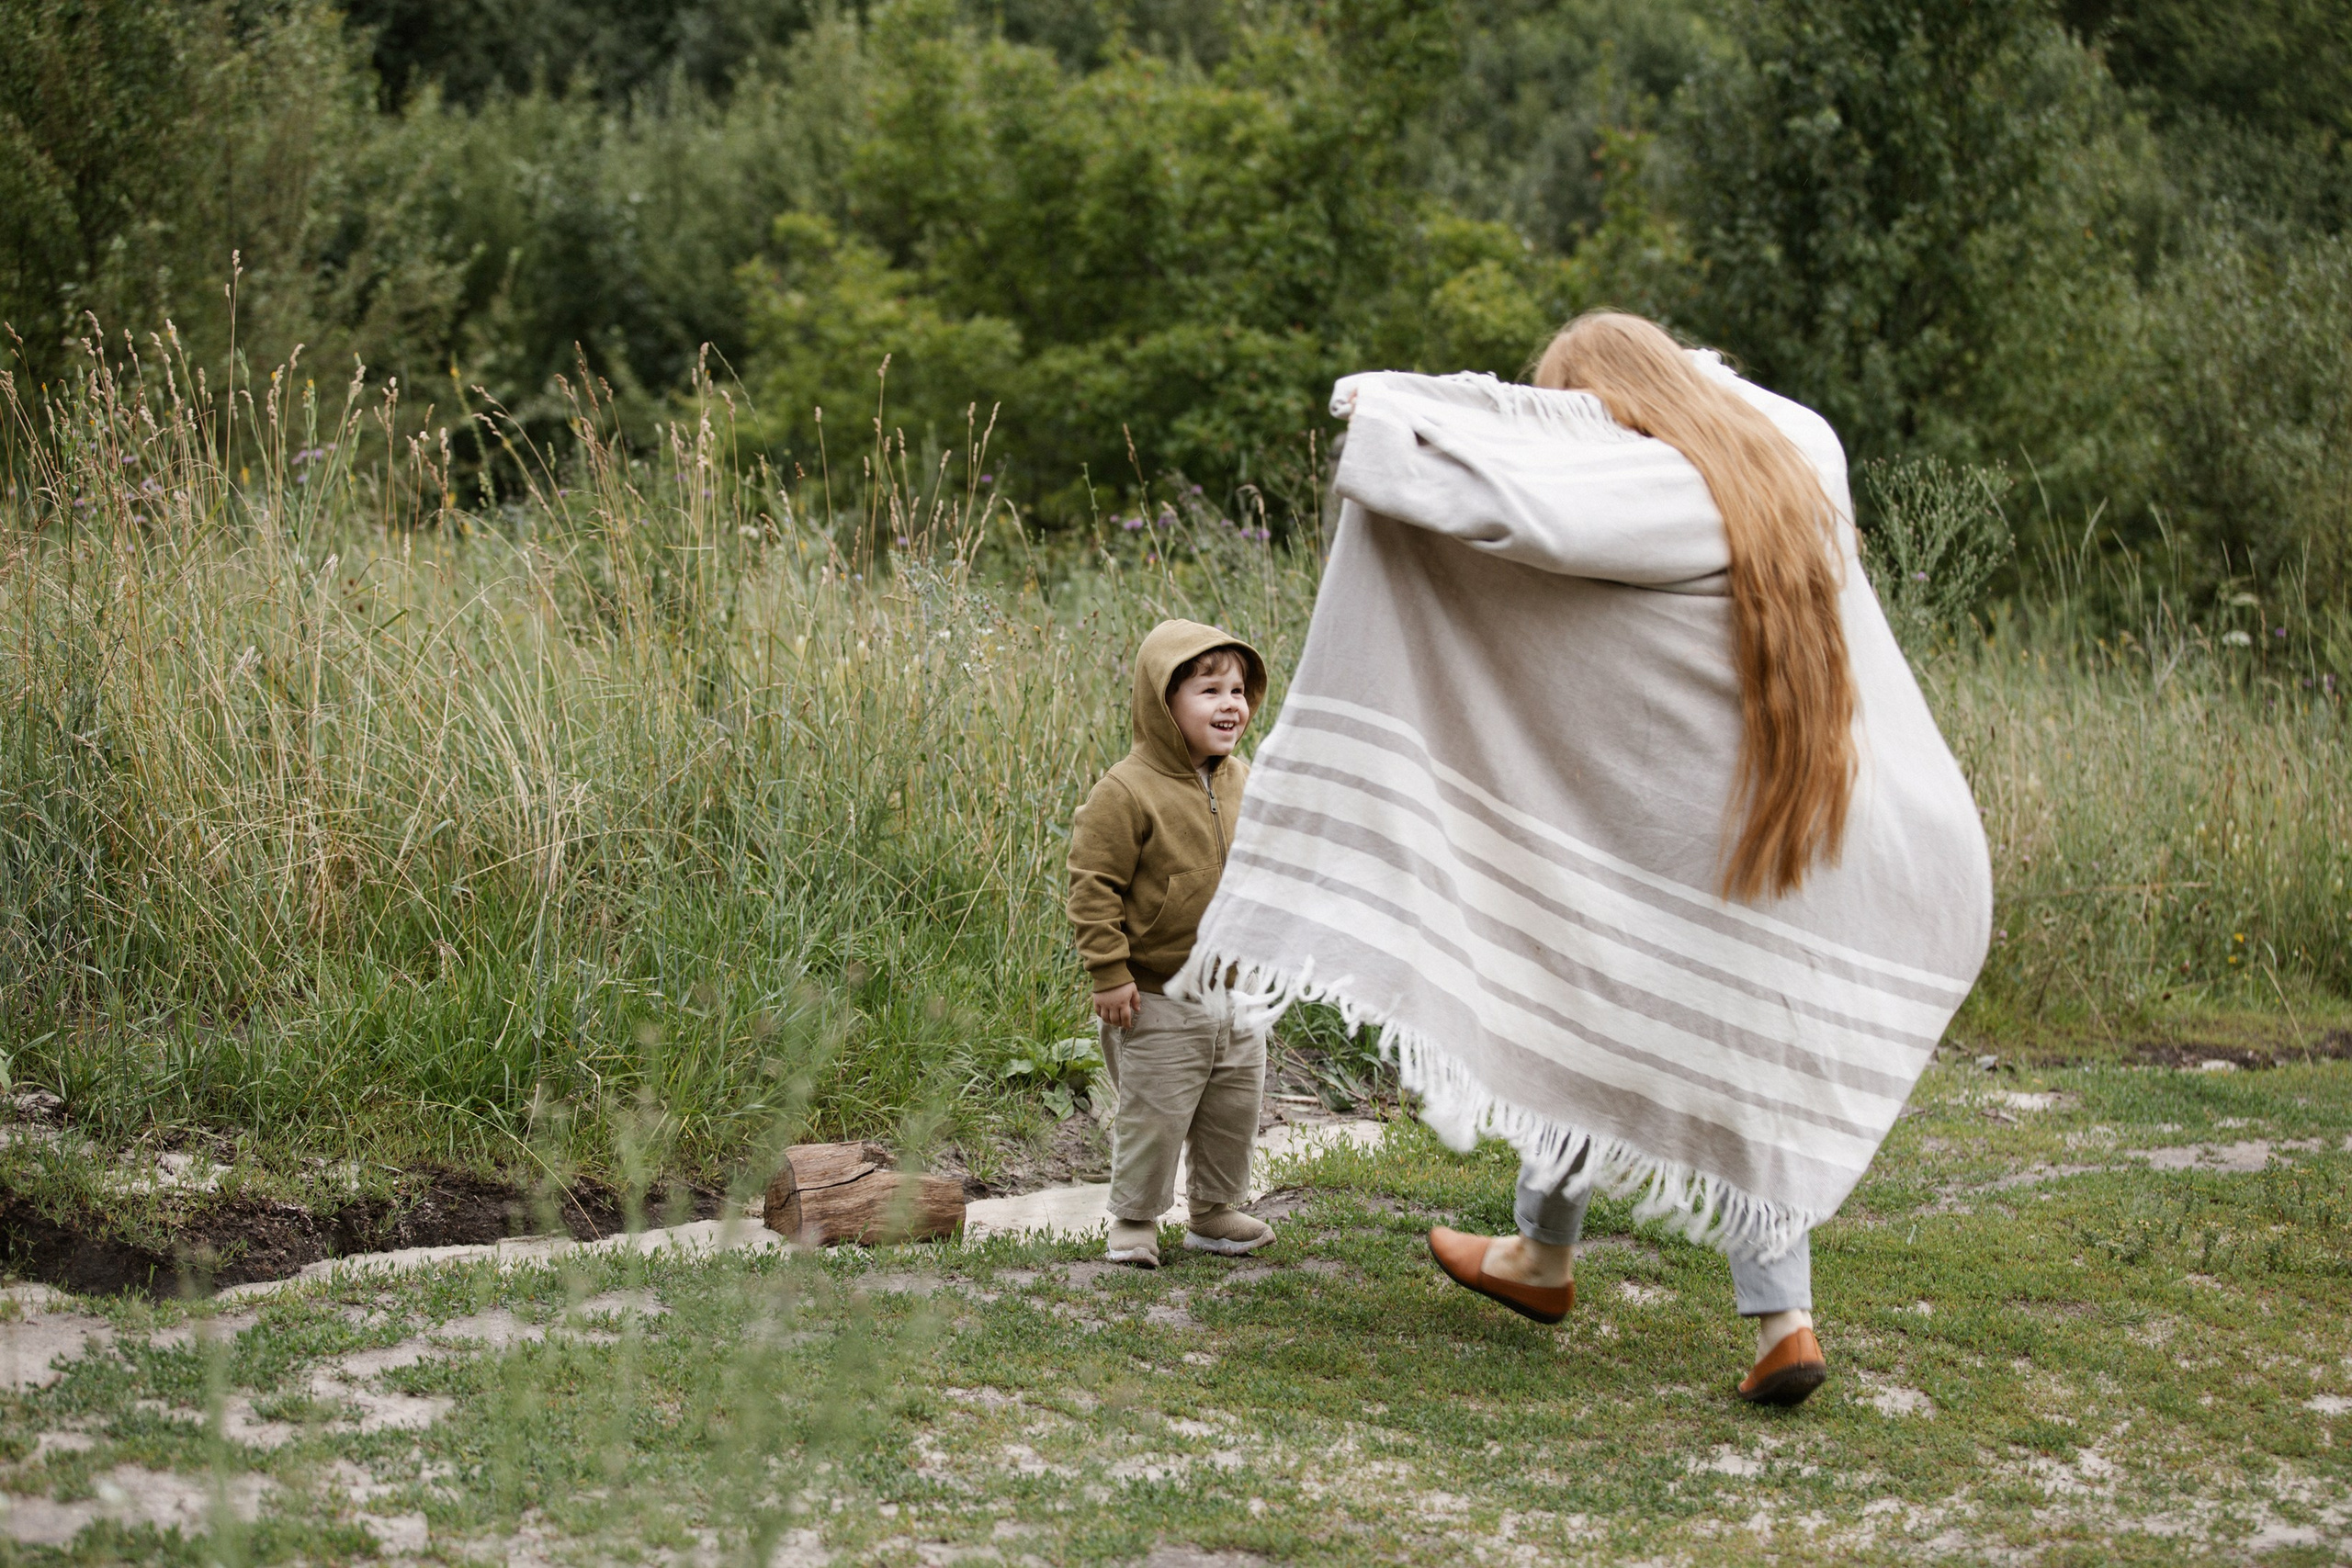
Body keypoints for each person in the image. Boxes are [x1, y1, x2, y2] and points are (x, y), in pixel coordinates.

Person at [1169, 311, 1992, 1404]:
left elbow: (1522, 509)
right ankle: (1730, 1308)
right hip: (1787, 830)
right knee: (1693, 1038)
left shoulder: (1658, 490)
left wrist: (1399, 417)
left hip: (1690, 839)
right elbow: (1705, 405)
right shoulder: (1797, 458)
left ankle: (1568, 1262)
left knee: (1587, 992)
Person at [1068, 619, 1275, 1269]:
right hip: (1157, 995)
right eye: (1209, 690)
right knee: (1154, 1116)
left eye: (1238, 689)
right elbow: (1092, 884)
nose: (1230, 704)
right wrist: (1109, 972)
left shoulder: (1243, 780)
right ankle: (1134, 1219)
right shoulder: (1126, 791)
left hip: (1237, 994)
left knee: (1233, 1110)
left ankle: (1214, 1212)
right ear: (1163, 703)